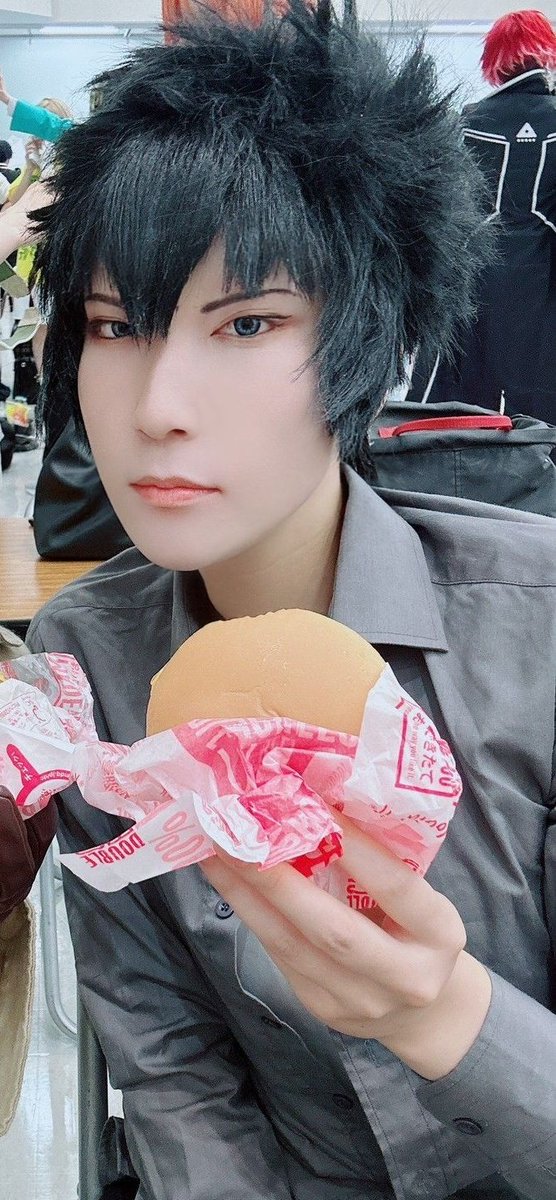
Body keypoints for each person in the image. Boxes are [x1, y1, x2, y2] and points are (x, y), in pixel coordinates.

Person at [15, 6, 555, 1198]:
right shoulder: (86, 660)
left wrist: (446, 1016)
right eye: (113, 327)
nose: (157, 407)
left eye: (247, 322)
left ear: (372, 340)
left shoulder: (538, 634)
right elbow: (172, 1078)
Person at [407, 8, 556, 421]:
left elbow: (430, 218)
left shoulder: (464, 123)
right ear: (547, 54)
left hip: (472, 295)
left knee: (460, 421)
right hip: (545, 299)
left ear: (495, 61)